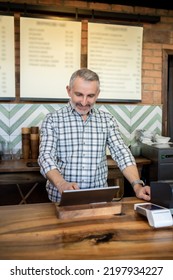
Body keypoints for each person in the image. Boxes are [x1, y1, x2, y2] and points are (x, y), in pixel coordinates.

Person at [38, 68, 150, 202]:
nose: (84, 102)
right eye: (79, 94)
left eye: (90, 96)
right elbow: (46, 157)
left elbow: (122, 153)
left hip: (99, 199)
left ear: (97, 94)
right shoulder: (52, 120)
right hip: (61, 199)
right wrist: (61, 183)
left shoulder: (107, 120)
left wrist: (137, 186)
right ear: (69, 90)